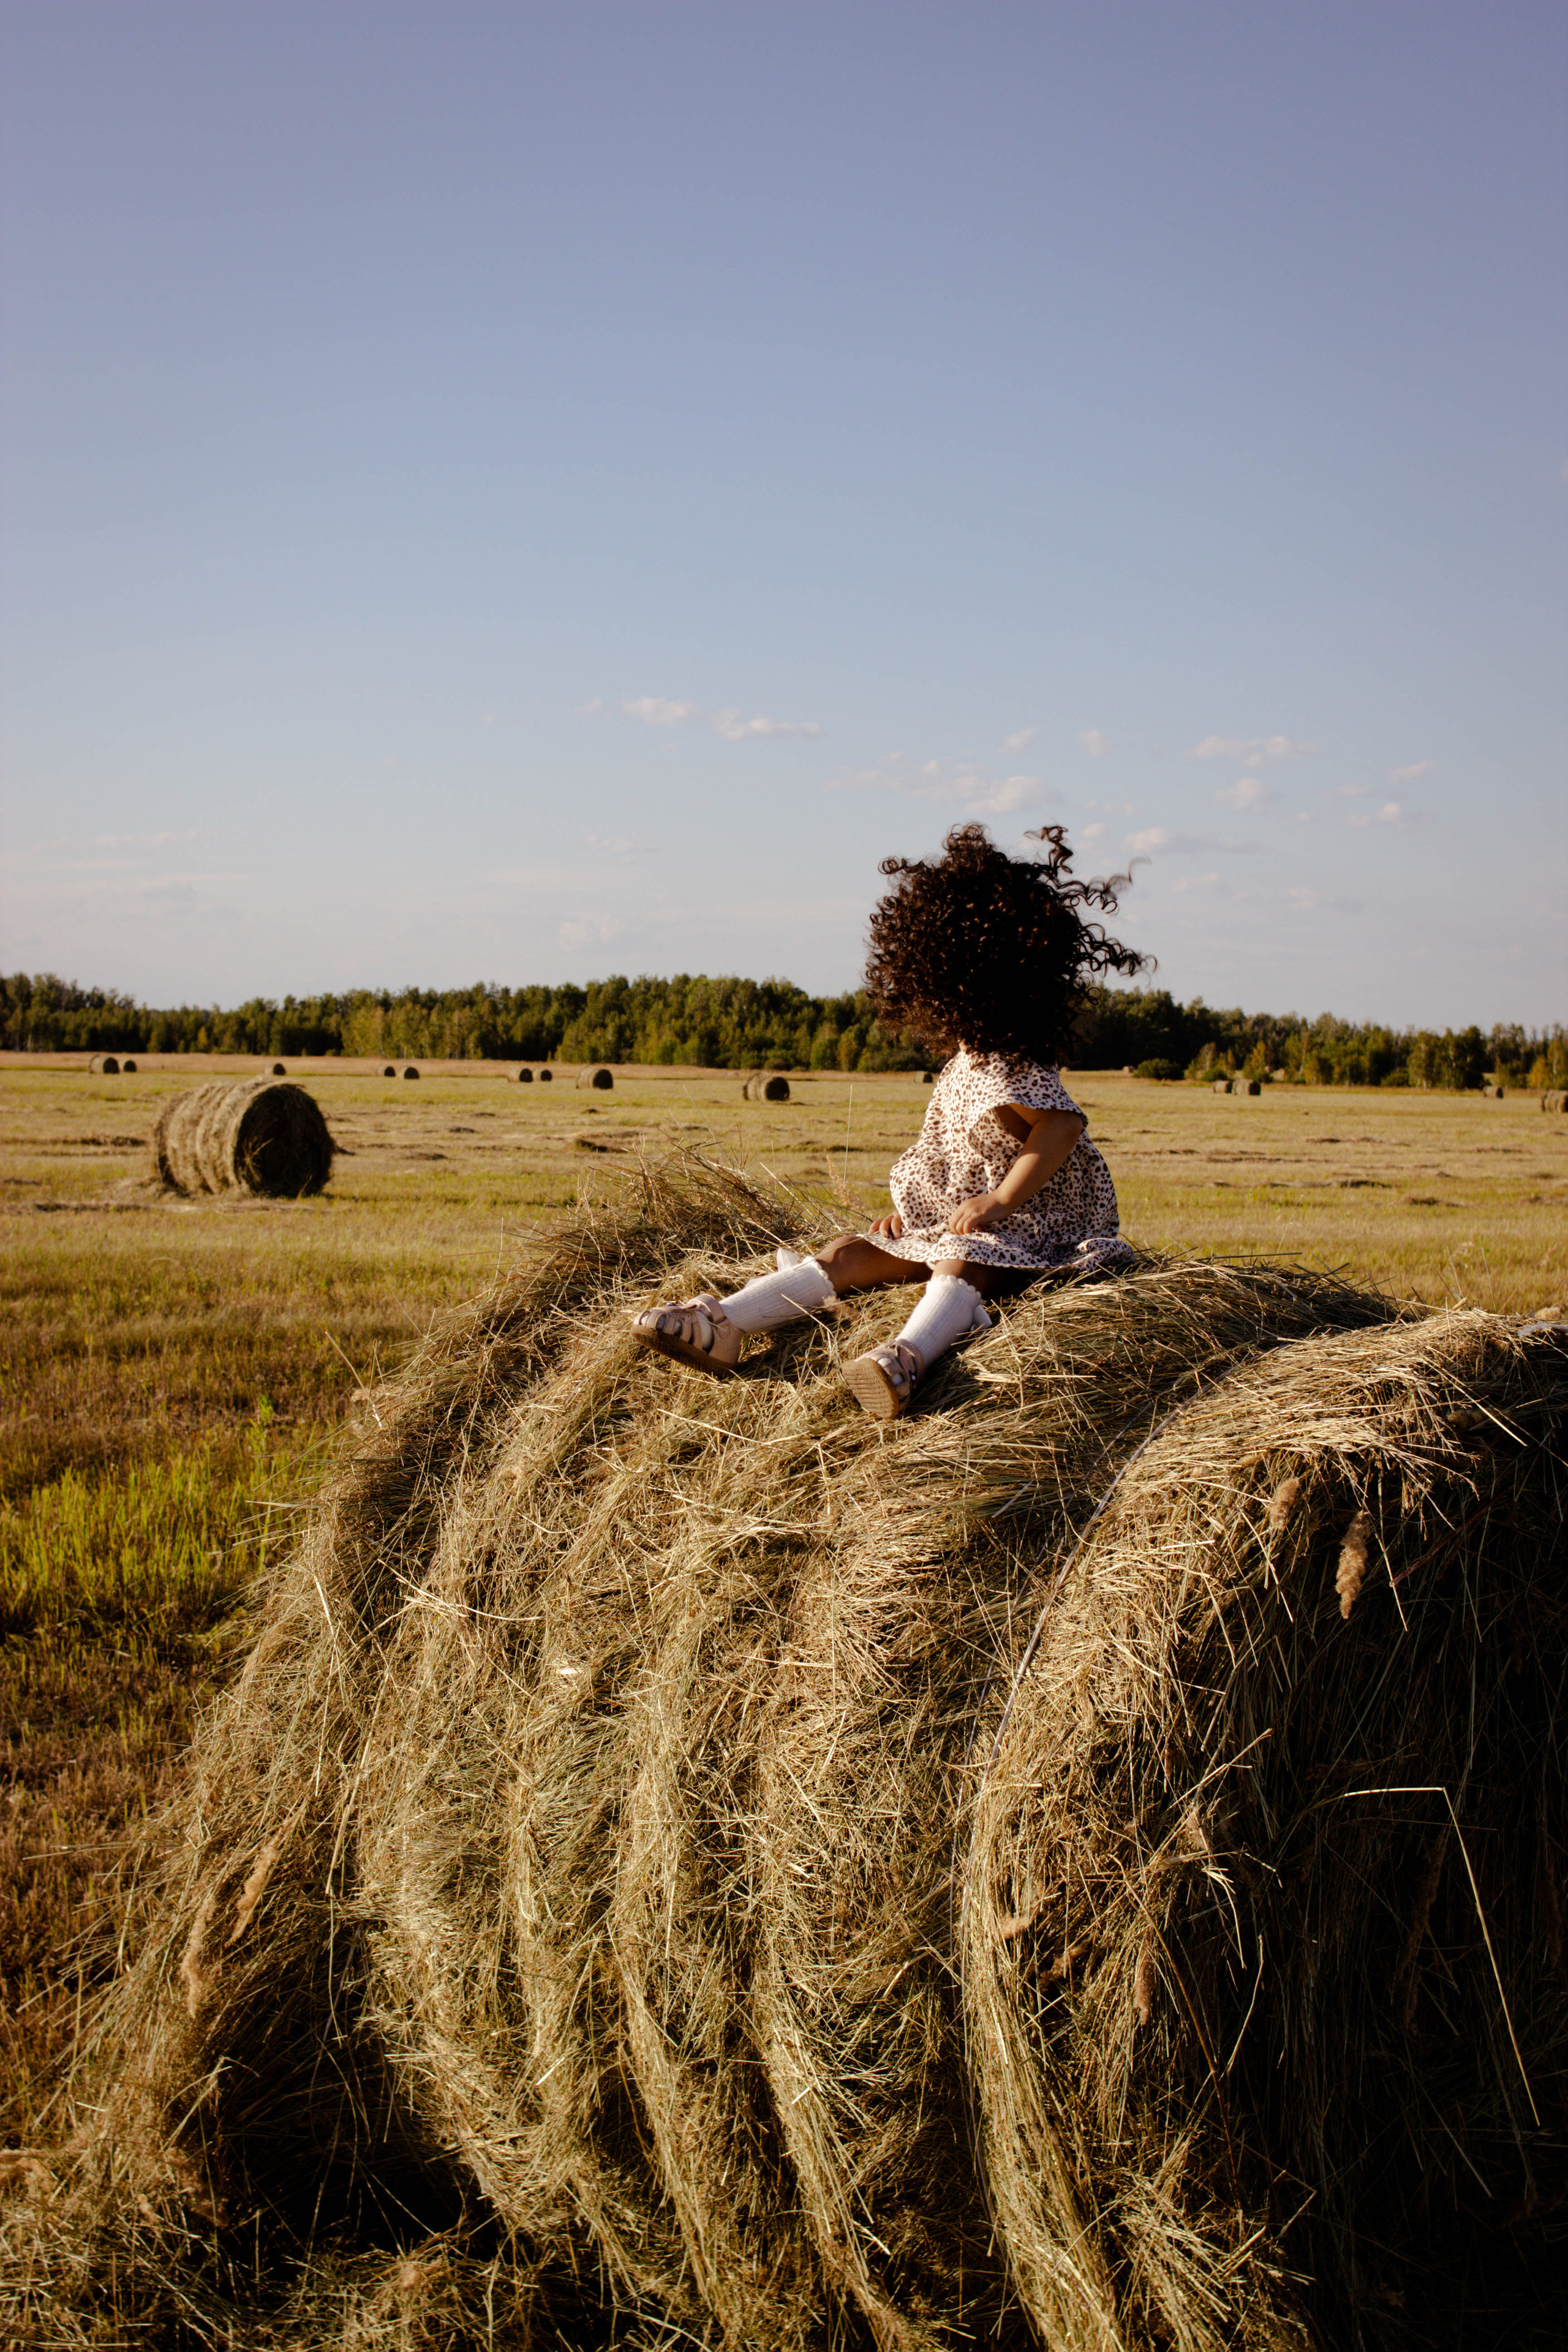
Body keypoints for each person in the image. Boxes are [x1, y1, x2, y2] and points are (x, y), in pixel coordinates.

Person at [631, 823, 1148, 1419]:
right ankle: (724, 1323)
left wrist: (1000, 1201)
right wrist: (920, 1213)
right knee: (848, 1252)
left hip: (1033, 1233)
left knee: (963, 1259)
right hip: (967, 1226)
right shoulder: (966, 1062)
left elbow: (1059, 1127)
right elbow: (961, 1155)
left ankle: (907, 1358)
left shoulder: (1007, 1062)